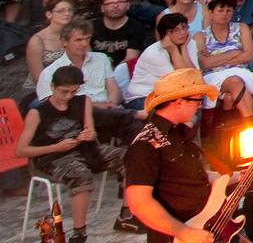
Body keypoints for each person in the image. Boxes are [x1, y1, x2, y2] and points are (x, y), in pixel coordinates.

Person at [18, 63, 129, 240]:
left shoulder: (82, 101)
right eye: (64, 92)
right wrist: (57, 147)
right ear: (53, 87)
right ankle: (79, 232)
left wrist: (90, 134)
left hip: (84, 149)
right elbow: (21, 151)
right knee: (80, 175)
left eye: (73, 92)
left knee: (130, 158)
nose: (68, 97)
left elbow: (90, 131)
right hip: (52, 156)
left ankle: (127, 214)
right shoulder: (37, 112)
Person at [124, 69, 223, 243]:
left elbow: (190, 178)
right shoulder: (146, 143)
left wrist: (244, 174)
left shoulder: (178, 134)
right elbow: (139, 202)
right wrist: (184, 232)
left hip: (203, 227)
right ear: (178, 102)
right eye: (197, 101)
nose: (199, 106)